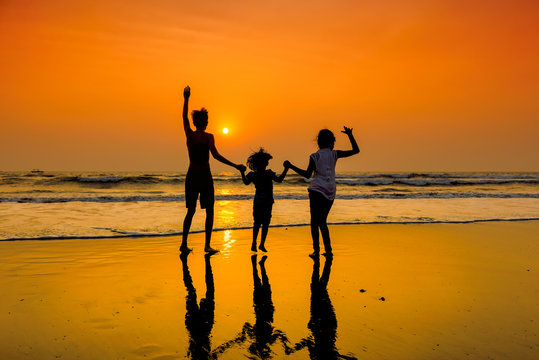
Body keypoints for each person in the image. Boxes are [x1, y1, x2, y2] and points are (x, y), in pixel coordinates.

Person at [181, 86, 246, 253]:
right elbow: (216, 156)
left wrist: (186, 98)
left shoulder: (190, 135)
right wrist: (235, 166)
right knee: (209, 210)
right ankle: (207, 245)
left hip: (191, 175)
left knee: (191, 211)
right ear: (206, 122)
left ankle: (183, 243)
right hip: (204, 175)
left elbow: (184, 118)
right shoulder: (208, 137)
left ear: (195, 122)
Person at [284, 127, 359, 257]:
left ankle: (316, 251)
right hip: (330, 192)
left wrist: (291, 166)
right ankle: (328, 251)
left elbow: (307, 175)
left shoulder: (315, 156)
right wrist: (350, 135)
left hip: (317, 190)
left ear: (318, 142)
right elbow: (356, 150)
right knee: (322, 221)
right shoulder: (335, 154)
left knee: (314, 222)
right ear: (331, 142)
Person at [240, 149, 288, 252]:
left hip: (258, 201)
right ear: (263, 163)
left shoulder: (252, 175)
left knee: (257, 223)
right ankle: (261, 244)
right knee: (265, 223)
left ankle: (254, 243)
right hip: (267, 202)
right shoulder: (268, 173)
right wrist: (286, 169)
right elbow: (279, 180)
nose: (267, 163)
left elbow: (245, 182)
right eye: (266, 162)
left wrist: (242, 173)